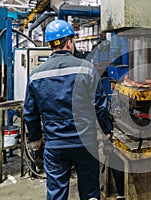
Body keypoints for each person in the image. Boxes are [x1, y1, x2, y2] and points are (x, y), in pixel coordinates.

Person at [23, 19, 113, 200]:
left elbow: (30, 113)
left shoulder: (36, 75)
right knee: (90, 193)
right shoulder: (87, 69)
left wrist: (36, 141)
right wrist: (107, 130)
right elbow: (100, 105)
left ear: (51, 45)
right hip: (85, 144)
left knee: (56, 194)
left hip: (55, 145)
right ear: (69, 42)